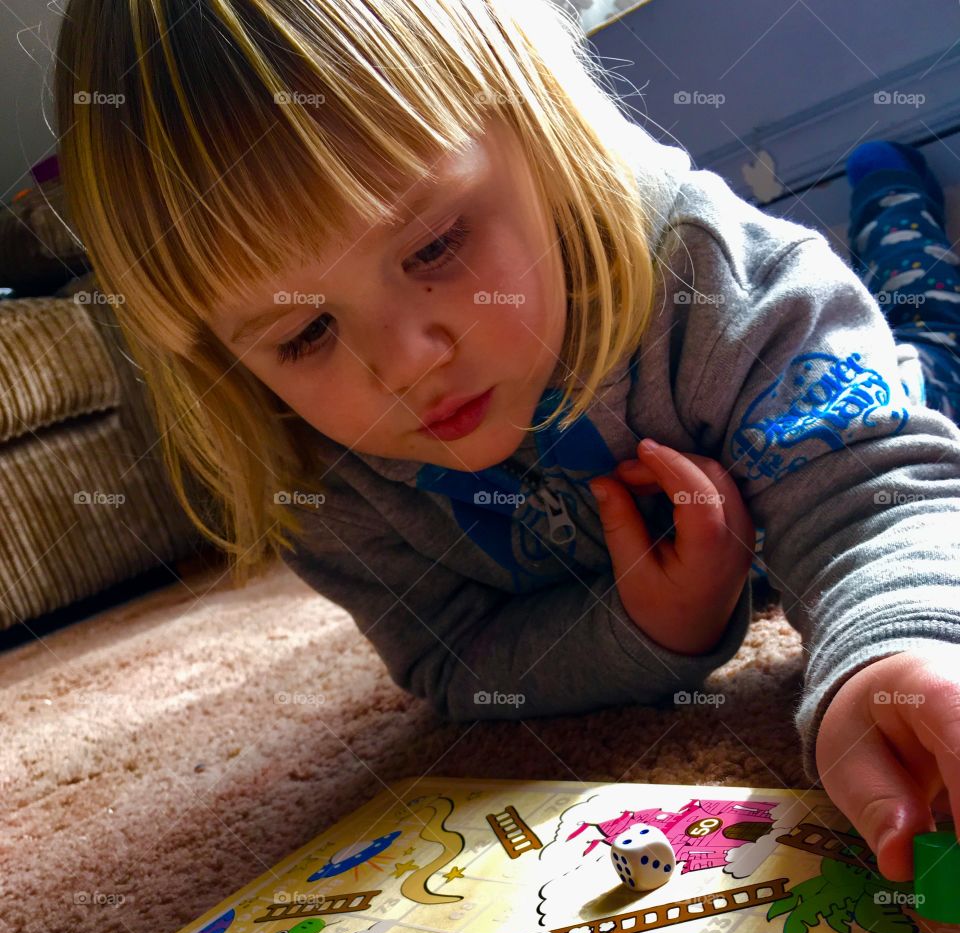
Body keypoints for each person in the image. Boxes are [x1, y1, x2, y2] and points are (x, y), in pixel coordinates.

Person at [53, 0, 960, 881]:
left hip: (867, 385)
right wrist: (649, 629)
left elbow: (869, 495)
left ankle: (892, 209)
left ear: (544, 135)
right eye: (304, 336)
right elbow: (451, 660)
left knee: (926, 325)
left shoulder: (714, 276)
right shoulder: (309, 467)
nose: (402, 364)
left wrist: (896, 652)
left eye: (435, 245)